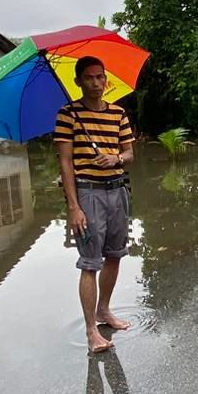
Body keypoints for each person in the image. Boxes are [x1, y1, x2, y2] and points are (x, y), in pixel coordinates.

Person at [55, 56, 135, 354]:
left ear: (106, 79)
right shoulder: (68, 115)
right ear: (78, 81)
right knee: (90, 262)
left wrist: (116, 158)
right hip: (88, 194)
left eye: (100, 77)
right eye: (89, 77)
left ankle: (104, 310)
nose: (96, 83)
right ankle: (91, 330)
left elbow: (129, 154)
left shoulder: (118, 113)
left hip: (117, 191)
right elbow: (65, 162)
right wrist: (73, 207)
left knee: (115, 255)